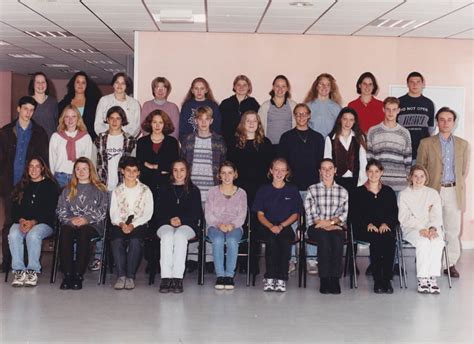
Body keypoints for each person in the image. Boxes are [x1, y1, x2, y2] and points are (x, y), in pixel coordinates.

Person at [417, 107, 470, 278]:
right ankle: (428, 261)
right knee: (430, 226)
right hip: (432, 190)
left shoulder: (463, 144)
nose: (445, 123)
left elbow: (463, 171)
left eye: (449, 119)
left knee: (452, 230)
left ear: (454, 123)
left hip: (453, 191)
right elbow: (420, 168)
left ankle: (450, 264)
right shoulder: (426, 143)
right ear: (437, 121)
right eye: (442, 119)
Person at [0, 96, 48, 272]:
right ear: (18, 109)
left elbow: (43, 159)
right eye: (25, 108)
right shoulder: (6, 132)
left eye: (31, 110)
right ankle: (8, 262)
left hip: (30, 185)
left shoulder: (39, 133)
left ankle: (28, 262)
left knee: (29, 222)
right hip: (9, 185)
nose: (28, 112)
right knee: (10, 224)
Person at [278, 103, 324, 274]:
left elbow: (322, 165)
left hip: (312, 187)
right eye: (298, 114)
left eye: (304, 114)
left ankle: (312, 260)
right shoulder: (286, 137)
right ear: (294, 116)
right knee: (291, 223)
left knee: (312, 221)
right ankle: (291, 259)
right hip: (291, 188)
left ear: (309, 115)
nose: (301, 117)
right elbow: (281, 164)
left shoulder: (318, 138)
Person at [227, 110, 273, 274]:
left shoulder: (265, 143)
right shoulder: (234, 143)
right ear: (243, 124)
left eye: (255, 121)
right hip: (239, 192)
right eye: (248, 121)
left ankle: (252, 262)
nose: (252, 124)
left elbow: (270, 171)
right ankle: (239, 261)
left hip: (260, 192)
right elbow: (230, 169)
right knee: (240, 225)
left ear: (259, 124)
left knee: (256, 226)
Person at [181, 105, 226, 272]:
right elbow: (182, 162)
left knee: (210, 222)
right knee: (192, 220)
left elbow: (223, 163)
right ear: (196, 121)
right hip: (192, 188)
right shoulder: (188, 140)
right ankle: (192, 257)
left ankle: (209, 258)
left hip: (212, 188)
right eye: (200, 119)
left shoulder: (218, 140)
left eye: (207, 119)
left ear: (211, 121)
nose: (204, 122)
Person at [57, 157, 108, 290]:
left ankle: (78, 275)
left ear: (90, 170)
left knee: (84, 232)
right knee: (65, 231)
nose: (81, 171)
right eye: (78, 169)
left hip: (93, 225)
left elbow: (103, 211)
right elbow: (60, 210)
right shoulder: (67, 189)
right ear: (74, 171)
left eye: (84, 168)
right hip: (71, 224)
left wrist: (86, 219)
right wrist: (70, 220)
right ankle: (68, 275)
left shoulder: (100, 189)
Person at [252, 158, 301, 292]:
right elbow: (260, 215)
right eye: (276, 170)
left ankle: (281, 278)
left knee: (285, 240)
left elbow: (295, 214)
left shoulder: (292, 189)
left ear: (287, 173)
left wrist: (281, 226)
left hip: (284, 226)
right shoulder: (263, 189)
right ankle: (270, 277)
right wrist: (271, 226)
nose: (279, 173)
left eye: (283, 170)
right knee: (271, 240)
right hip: (266, 226)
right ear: (271, 171)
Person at [8, 157, 59, 287]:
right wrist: (21, 220)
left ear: (42, 168)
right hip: (22, 222)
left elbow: (50, 211)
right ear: (27, 169)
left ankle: (32, 271)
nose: (34, 169)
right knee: (13, 234)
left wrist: (33, 222)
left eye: (37, 166)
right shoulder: (22, 185)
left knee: (33, 235)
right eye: (31, 166)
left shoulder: (50, 186)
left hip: (43, 223)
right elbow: (14, 209)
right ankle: (19, 271)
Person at [155, 159, 202, 293]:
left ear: (187, 172)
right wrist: (170, 220)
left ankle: (177, 278)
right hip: (165, 223)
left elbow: (195, 214)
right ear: (172, 172)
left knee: (180, 236)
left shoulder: (194, 191)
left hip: (188, 225)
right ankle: (165, 278)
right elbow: (159, 212)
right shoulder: (164, 189)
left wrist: (181, 220)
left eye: (182, 170)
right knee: (168, 236)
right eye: (175, 170)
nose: (179, 173)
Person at [351, 159, 398, 293]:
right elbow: (354, 213)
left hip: (384, 228)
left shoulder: (388, 191)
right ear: (366, 172)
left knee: (389, 240)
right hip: (365, 228)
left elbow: (394, 212)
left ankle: (387, 279)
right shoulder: (358, 192)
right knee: (376, 239)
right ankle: (378, 280)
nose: (373, 174)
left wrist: (386, 223)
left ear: (381, 172)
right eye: (370, 171)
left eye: (376, 171)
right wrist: (367, 224)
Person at [304, 158, 349, 295]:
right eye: (324, 168)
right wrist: (325, 224)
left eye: (330, 168)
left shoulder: (343, 191)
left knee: (336, 239)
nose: (327, 171)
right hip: (316, 227)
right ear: (320, 171)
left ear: (335, 170)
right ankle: (324, 279)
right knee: (323, 238)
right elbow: (310, 212)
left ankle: (334, 279)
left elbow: (343, 214)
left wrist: (330, 223)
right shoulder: (312, 189)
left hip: (335, 227)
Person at [399, 165, 444, 294]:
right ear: (410, 177)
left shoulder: (432, 193)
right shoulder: (404, 195)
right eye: (415, 176)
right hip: (412, 228)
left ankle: (432, 277)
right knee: (423, 242)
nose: (418, 179)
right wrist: (421, 229)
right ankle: (423, 279)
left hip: (431, 227)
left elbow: (436, 214)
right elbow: (405, 218)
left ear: (426, 178)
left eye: (422, 176)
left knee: (437, 241)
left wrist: (432, 228)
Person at [109, 157, 153, 290]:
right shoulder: (117, 191)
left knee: (135, 240)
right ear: (122, 171)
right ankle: (121, 275)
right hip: (120, 223)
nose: (131, 173)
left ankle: (130, 276)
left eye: (135, 171)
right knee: (116, 240)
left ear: (139, 173)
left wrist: (133, 225)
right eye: (128, 170)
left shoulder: (145, 190)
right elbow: (114, 212)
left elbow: (148, 213)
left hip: (139, 223)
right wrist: (122, 224)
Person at [205, 161, 247, 290]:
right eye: (223, 173)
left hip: (234, 227)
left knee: (232, 240)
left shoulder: (241, 193)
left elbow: (242, 215)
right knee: (218, 240)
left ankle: (229, 275)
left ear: (235, 174)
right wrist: (218, 224)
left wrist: (232, 225)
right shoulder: (212, 192)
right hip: (214, 227)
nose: (227, 176)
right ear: (219, 175)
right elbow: (208, 214)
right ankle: (220, 276)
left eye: (230, 173)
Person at [366, 97, 412, 193]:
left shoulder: (404, 133)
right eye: (388, 109)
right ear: (383, 109)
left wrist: (408, 179)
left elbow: (408, 160)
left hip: (400, 185)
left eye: (394, 109)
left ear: (398, 110)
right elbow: (370, 159)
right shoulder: (373, 131)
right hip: (379, 184)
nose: (391, 113)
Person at [49, 104, 94, 188]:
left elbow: (87, 160)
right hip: (59, 177)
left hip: (78, 177)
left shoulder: (85, 137)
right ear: (63, 119)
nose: (70, 120)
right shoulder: (56, 137)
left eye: (73, 116)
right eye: (67, 117)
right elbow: (52, 160)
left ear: (78, 119)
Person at [324, 107, 368, 190]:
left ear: (355, 122)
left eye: (351, 120)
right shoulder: (330, 138)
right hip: (336, 181)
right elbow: (327, 162)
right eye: (345, 119)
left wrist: (362, 182)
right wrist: (329, 182)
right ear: (340, 119)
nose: (348, 123)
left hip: (355, 181)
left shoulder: (360, 137)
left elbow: (363, 161)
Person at [95, 106, 137, 192]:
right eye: (112, 118)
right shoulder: (99, 139)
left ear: (122, 120)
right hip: (103, 186)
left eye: (118, 118)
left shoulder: (130, 140)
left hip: (124, 186)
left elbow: (135, 165)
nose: (114, 121)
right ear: (107, 119)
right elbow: (92, 162)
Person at [137, 109, 179, 191]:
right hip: (146, 185)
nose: (157, 126)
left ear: (165, 125)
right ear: (150, 123)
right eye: (154, 122)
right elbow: (140, 164)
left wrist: (153, 166)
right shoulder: (141, 142)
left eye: (160, 122)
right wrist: (162, 169)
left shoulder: (172, 142)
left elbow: (173, 165)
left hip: (166, 186)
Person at [397, 71, 435, 161]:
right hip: (402, 151)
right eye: (412, 82)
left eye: (418, 82)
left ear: (423, 84)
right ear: (407, 84)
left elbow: (431, 128)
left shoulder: (428, 103)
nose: (415, 85)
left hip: (422, 152)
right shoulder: (399, 102)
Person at [58, 71, 102, 141]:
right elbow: (60, 123)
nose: (80, 85)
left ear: (87, 85)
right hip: (68, 140)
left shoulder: (94, 104)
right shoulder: (64, 103)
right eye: (78, 82)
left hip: (88, 140)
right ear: (73, 84)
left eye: (83, 82)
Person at [95, 72, 141, 138]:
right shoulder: (104, 100)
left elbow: (136, 126)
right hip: (107, 140)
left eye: (123, 83)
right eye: (117, 82)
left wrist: (124, 138)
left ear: (126, 86)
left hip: (126, 142)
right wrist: (108, 137)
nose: (119, 85)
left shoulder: (134, 103)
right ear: (113, 84)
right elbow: (98, 124)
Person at [219, 75, 260, 145]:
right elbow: (220, 122)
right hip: (228, 141)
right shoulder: (225, 103)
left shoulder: (253, 103)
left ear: (248, 87)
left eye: (244, 85)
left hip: (247, 141)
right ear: (234, 87)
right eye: (238, 85)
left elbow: (258, 123)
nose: (241, 87)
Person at [258, 75, 296, 147]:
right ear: (273, 87)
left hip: (288, 146)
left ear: (287, 88)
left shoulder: (293, 106)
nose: (280, 89)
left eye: (283, 86)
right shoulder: (265, 106)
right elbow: (259, 127)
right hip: (269, 146)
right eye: (277, 86)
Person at [305, 73, 343, 138]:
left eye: (328, 85)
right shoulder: (308, 106)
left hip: (331, 144)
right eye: (321, 84)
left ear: (331, 88)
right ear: (316, 87)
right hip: (313, 143)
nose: (324, 87)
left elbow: (340, 129)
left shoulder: (337, 108)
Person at [28, 72, 58, 139]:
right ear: (33, 84)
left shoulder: (53, 102)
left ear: (46, 84)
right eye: (38, 82)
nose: (41, 85)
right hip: (33, 142)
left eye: (43, 82)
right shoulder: (27, 101)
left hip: (50, 141)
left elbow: (57, 123)